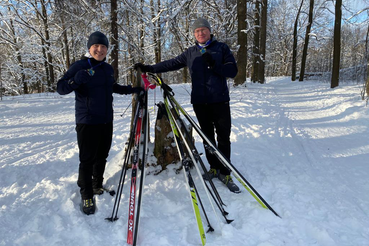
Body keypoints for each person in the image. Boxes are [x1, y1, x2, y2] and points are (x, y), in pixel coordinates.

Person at [134, 18, 240, 193]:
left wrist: (215, 65)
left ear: (209, 31)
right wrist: (150, 68)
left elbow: (233, 71)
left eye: (203, 30)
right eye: (197, 31)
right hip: (200, 102)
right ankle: (213, 168)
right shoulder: (191, 52)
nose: (200, 33)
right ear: (194, 34)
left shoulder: (221, 48)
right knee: (207, 138)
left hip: (220, 101)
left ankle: (225, 171)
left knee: (223, 136)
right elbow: (172, 63)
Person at [57, 31, 144, 215]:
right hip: (87, 121)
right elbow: (61, 88)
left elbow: (111, 87)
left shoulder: (107, 68)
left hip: (106, 120)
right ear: (90, 48)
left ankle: (97, 184)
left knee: (102, 155)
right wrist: (75, 80)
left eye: (103, 47)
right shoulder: (79, 66)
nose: (100, 49)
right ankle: (86, 193)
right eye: (96, 46)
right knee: (87, 159)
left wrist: (132, 89)